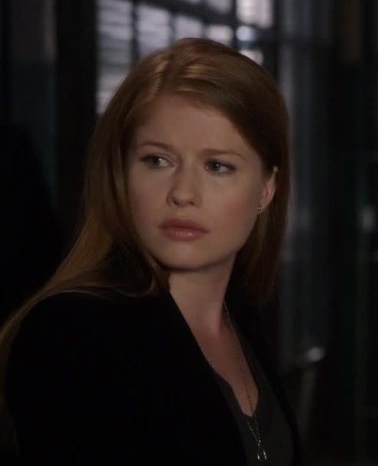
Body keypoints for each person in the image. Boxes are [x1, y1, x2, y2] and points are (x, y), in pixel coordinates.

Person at [0, 38, 300, 465]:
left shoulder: (241, 316)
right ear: (122, 173)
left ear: (266, 189)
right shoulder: (75, 332)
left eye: (217, 166)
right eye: (158, 160)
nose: (183, 193)